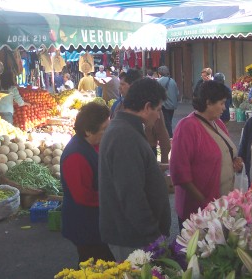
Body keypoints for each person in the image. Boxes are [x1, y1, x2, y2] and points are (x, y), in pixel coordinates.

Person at [98, 78, 172, 261]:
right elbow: (131, 195)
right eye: (158, 110)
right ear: (147, 107)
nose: (158, 116)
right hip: (132, 238)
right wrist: (153, 235)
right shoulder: (124, 136)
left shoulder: (127, 129)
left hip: (135, 235)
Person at [170, 80, 244, 223]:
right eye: (221, 103)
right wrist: (205, 202)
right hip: (199, 210)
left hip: (222, 205)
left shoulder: (218, 123)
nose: (224, 108)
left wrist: (234, 161)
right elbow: (179, 173)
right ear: (208, 102)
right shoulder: (187, 127)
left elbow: (224, 151)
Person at [60, 102, 114, 264]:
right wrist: (113, 198)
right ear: (89, 131)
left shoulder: (92, 145)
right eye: (104, 129)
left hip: (94, 222)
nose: (107, 132)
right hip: (84, 224)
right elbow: (83, 196)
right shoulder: (76, 155)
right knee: (95, 264)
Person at [112, 70, 171, 163]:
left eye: (123, 84)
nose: (119, 88)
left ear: (132, 86)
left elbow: (165, 142)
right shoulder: (119, 107)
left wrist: (162, 166)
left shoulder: (153, 110)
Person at [156, 66, 178, 138]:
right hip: (173, 104)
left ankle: (169, 137)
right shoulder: (172, 81)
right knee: (169, 121)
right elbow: (177, 93)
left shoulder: (159, 81)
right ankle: (169, 136)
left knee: (166, 122)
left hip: (165, 104)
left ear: (160, 73)